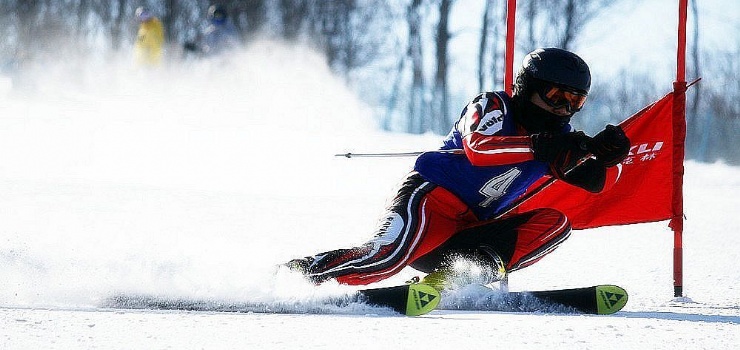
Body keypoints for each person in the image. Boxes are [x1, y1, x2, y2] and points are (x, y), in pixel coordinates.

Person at [286, 48, 631, 290]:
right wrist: (540, 145)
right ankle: (292, 279)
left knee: (556, 224)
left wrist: (604, 156)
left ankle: (464, 275)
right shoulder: (494, 105)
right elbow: (479, 148)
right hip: (429, 202)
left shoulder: (560, 139)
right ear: (530, 87)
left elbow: (596, 183)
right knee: (384, 260)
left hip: (468, 229)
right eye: (557, 95)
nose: (563, 108)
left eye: (576, 101)